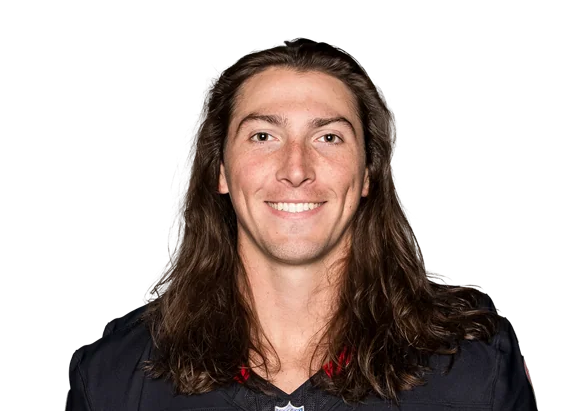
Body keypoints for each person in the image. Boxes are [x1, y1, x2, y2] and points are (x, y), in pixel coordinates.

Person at [65, 38, 537, 410]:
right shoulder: (114, 375)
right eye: (263, 135)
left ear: (367, 173)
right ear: (221, 170)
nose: (296, 169)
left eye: (328, 137)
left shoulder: (474, 362)